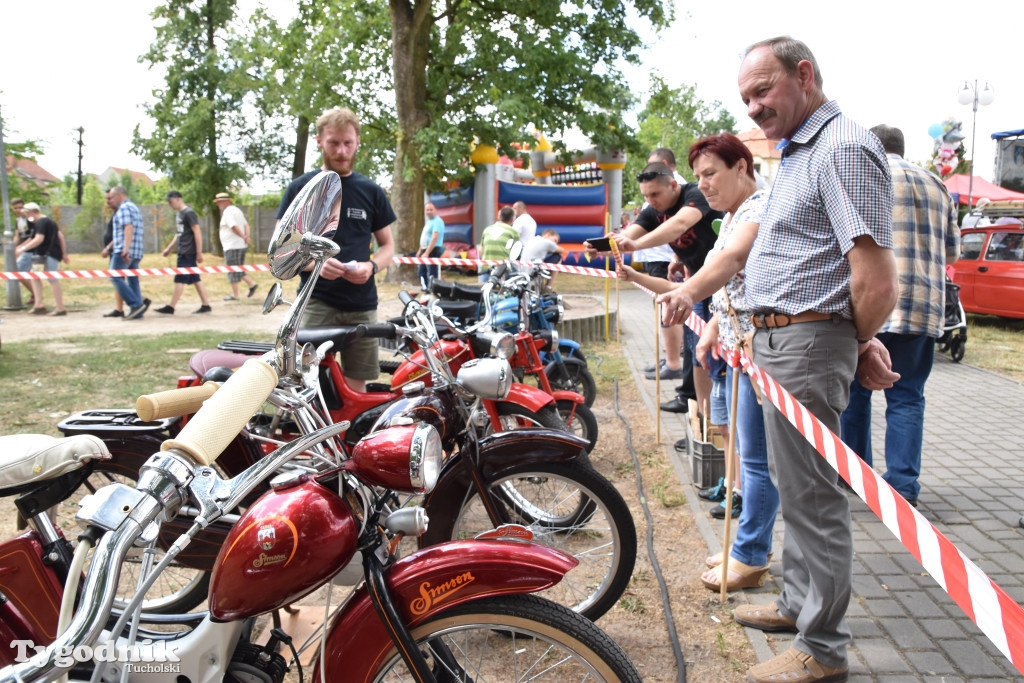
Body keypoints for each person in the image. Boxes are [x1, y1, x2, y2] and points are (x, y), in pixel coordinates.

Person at [682, 36, 898, 682]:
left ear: (804, 74)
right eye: (745, 97)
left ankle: (822, 648)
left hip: (805, 345)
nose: (753, 108)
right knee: (794, 490)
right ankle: (799, 606)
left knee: (814, 499)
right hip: (782, 344)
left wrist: (848, 340)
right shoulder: (799, 154)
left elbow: (875, 281)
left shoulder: (842, 147)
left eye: (763, 91)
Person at [651, 133, 777, 590]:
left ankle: (750, 553)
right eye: (698, 175)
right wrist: (711, 329)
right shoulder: (732, 215)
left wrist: (687, 293)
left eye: (711, 173)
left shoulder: (759, 209)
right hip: (742, 347)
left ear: (742, 167)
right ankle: (748, 544)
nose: (703, 184)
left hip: (764, 350)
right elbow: (729, 280)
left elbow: (732, 260)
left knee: (759, 462)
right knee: (750, 455)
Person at [840, 125, 960, 508]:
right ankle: (903, 486)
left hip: (869, 306)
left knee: (856, 392)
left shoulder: (862, 176)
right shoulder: (936, 184)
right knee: (908, 396)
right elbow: (953, 253)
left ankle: (855, 476)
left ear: (873, 147)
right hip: (922, 305)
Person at [276, 107, 396, 393]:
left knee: (357, 387)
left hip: (362, 306)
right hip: (315, 303)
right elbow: (280, 249)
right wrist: (311, 265)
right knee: (308, 386)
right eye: (334, 143)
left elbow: (388, 246)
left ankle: (353, 436)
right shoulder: (300, 188)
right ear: (319, 141)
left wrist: (372, 266)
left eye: (348, 143)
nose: (341, 151)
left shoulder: (371, 191)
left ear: (357, 143)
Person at [600, 160, 723, 416]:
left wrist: (636, 246)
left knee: (718, 356)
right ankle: (703, 421)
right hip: (696, 284)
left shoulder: (693, 194)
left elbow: (679, 225)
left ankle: (717, 419)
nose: (651, 201)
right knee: (697, 354)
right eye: (646, 196)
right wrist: (601, 246)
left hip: (725, 281)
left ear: (673, 185)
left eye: (655, 194)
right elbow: (628, 235)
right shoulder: (651, 211)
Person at [154, 191, 212, 315]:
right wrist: (169, 248)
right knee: (195, 278)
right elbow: (179, 233)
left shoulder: (189, 213)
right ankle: (206, 305)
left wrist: (199, 252)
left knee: (180, 278)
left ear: (178, 199)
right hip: (182, 250)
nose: (169, 204)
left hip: (188, 252)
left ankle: (171, 307)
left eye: (170, 201)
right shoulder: (180, 214)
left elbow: (197, 231)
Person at [14, 203, 68, 316]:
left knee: (52, 279)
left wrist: (23, 248)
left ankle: (60, 307)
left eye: (27, 214)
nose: (27, 217)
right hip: (41, 254)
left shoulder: (42, 222)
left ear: (32, 212)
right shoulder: (43, 222)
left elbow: (39, 239)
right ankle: (38, 304)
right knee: (34, 277)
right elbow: (34, 238)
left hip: (48, 253)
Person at [106, 185, 150, 320]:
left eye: (111, 197)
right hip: (136, 251)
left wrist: (125, 249)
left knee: (114, 276)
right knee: (132, 280)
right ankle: (138, 310)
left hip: (124, 251)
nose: (110, 201)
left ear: (119, 195)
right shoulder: (134, 207)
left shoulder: (124, 208)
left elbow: (128, 228)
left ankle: (135, 304)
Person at [214, 192, 259, 301]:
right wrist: (246, 236)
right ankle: (251, 284)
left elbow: (233, 226)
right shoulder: (237, 210)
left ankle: (236, 294)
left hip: (232, 245)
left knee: (232, 269)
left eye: (219, 202)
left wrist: (244, 236)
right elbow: (246, 225)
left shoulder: (228, 212)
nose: (218, 204)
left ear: (226, 201)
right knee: (237, 267)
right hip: (239, 244)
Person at [477, 206, 518, 283]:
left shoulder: (487, 229)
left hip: (486, 268)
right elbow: (516, 253)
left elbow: (480, 250)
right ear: (512, 219)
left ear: (499, 217)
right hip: (503, 271)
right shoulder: (514, 232)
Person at [10, 198, 36, 304]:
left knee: (19, 272)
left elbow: (33, 237)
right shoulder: (18, 221)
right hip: (23, 248)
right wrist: (12, 246)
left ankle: (36, 295)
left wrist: (21, 248)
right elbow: (18, 236)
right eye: (15, 208)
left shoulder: (30, 219)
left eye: (20, 207)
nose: (18, 210)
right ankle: (35, 295)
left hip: (31, 249)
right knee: (24, 274)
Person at [416, 201, 445, 292]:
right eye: (427, 210)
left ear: (435, 210)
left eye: (431, 209)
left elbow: (434, 237)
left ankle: (433, 289)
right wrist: (420, 250)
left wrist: (427, 253)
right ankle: (425, 288)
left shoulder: (437, 221)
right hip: (425, 249)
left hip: (433, 250)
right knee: (422, 271)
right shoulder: (429, 222)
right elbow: (425, 237)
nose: (429, 211)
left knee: (432, 272)